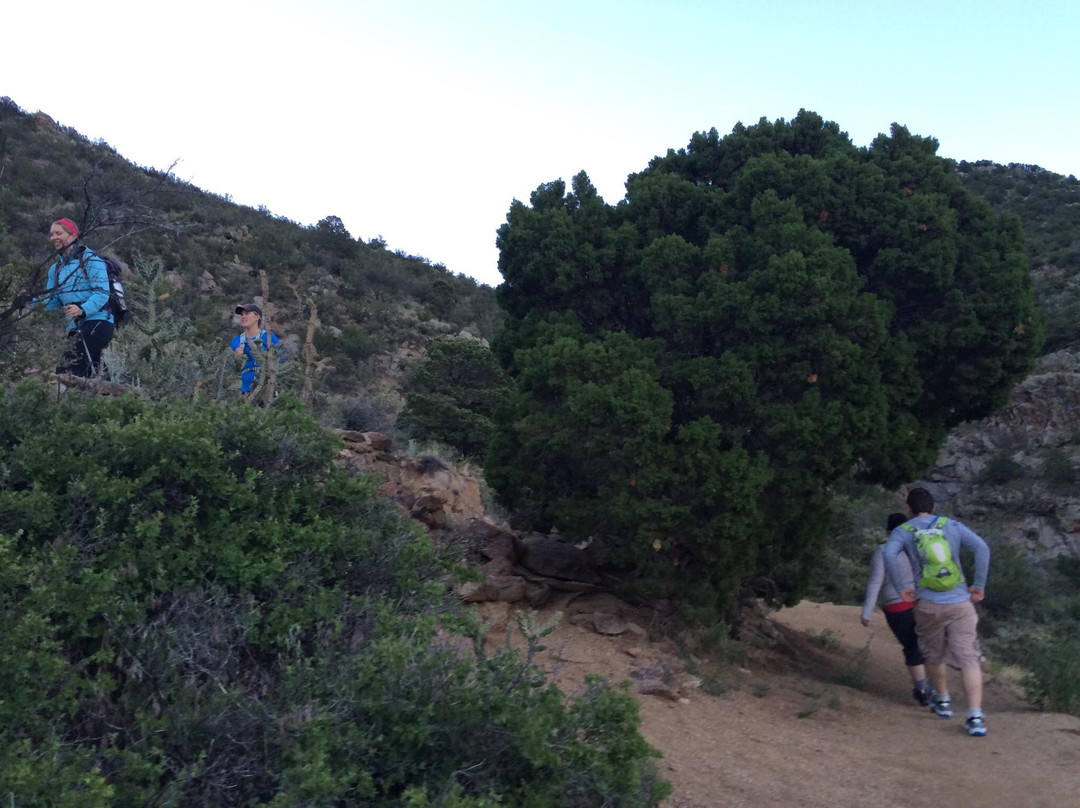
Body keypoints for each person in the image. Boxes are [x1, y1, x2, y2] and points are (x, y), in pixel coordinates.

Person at [884, 487, 991, 737]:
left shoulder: (904, 530)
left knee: (933, 654)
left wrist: (901, 588)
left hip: (927, 603)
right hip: (960, 602)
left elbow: (889, 554)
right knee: (969, 658)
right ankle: (975, 715)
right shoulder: (951, 525)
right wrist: (978, 585)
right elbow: (982, 548)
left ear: (909, 510)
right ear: (933, 507)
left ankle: (942, 700)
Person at [861, 512, 929, 706]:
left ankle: (922, 689)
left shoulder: (883, 551)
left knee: (911, 646)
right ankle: (935, 690)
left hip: (896, 605)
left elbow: (876, 581)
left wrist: (867, 611)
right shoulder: (918, 549)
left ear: (888, 531)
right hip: (922, 602)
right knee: (926, 645)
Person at [40, 218, 114, 377]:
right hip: (74, 327)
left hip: (98, 321)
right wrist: (30, 304)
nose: (53, 237)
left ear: (73, 235)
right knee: (93, 372)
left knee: (68, 368)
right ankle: (116, 391)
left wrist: (82, 309)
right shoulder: (56, 269)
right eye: (51, 234)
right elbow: (52, 301)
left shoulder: (91, 260)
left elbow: (102, 293)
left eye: (58, 233)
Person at [230, 303, 280, 396]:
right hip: (242, 390)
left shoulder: (268, 337)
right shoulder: (236, 341)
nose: (243, 317)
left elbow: (280, 359)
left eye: (247, 313)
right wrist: (236, 357)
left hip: (265, 388)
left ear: (257, 317)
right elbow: (229, 368)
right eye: (242, 315)